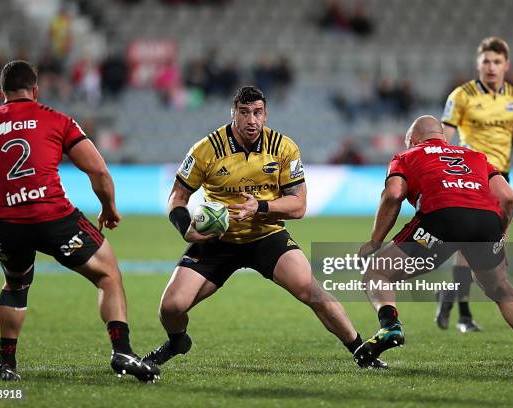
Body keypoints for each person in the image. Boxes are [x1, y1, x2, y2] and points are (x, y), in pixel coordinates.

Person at [141, 86, 385, 369]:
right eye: (244, 113)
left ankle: (362, 353)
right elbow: (177, 197)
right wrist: (185, 228)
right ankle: (177, 341)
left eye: (257, 113)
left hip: (266, 236)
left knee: (313, 291)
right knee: (171, 307)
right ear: (234, 114)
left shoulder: (284, 148)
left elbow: (299, 206)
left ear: (265, 115)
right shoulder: (206, 149)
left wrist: (260, 207)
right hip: (218, 241)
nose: (251, 120)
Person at [0, 60, 159, 382]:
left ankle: (6, 365)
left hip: (7, 224)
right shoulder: (57, 120)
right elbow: (98, 170)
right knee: (108, 274)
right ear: (35, 90)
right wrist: (108, 208)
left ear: (0, 94)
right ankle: (122, 351)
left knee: (15, 285)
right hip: (54, 218)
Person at [353, 115, 513, 374]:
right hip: (486, 222)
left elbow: (393, 194)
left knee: (378, 271)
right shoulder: (475, 156)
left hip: (440, 221)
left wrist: (375, 241)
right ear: (444, 138)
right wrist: (500, 238)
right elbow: (507, 197)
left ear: (412, 140)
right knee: (500, 287)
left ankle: (390, 326)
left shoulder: (406, 156)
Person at [438, 37, 513, 332]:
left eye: (496, 62)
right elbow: (445, 136)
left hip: (500, 177)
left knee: (482, 249)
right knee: (472, 245)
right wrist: (440, 167)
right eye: (486, 62)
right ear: (478, 65)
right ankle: (464, 314)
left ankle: (452, 298)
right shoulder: (462, 96)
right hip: (471, 174)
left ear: (506, 65)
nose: (491, 67)